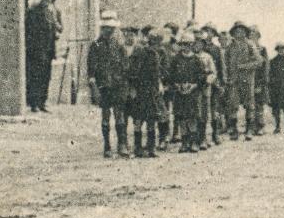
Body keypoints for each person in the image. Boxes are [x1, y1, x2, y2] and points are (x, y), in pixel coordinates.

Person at [86, 11, 130, 156]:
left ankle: (122, 144)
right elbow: (91, 69)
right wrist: (94, 87)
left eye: (111, 28)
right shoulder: (95, 45)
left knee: (119, 115)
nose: (109, 31)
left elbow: (125, 66)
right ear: (101, 29)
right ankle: (107, 146)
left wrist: (123, 82)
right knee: (105, 116)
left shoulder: (119, 45)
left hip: (118, 85)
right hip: (103, 86)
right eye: (106, 28)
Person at [127, 26, 164, 158]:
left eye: (158, 43)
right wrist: (133, 89)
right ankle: (138, 148)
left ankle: (151, 147)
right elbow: (132, 72)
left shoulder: (156, 54)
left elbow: (157, 73)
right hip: (140, 90)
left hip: (151, 90)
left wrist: (159, 85)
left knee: (151, 120)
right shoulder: (139, 52)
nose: (156, 45)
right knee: (138, 120)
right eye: (154, 42)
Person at [24, 0, 62, 112]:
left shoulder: (52, 12)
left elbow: (58, 27)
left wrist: (56, 31)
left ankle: (42, 102)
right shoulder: (34, 10)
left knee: (46, 76)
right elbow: (29, 29)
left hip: (48, 49)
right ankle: (34, 103)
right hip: (36, 49)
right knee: (35, 76)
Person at [168, 33, 208, 153]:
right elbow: (170, 76)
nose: (186, 47)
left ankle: (194, 141)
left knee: (192, 117)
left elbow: (202, 77)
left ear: (192, 45)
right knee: (181, 117)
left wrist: (193, 86)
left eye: (189, 44)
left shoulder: (196, 60)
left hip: (193, 93)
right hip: (179, 92)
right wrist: (178, 85)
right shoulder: (176, 60)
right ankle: (184, 142)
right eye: (183, 44)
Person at [251, 28, 270, 136]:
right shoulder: (249, 49)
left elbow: (265, 67)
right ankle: (252, 126)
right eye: (251, 36)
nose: (253, 38)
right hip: (249, 80)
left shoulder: (262, 49)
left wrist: (262, 82)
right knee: (251, 105)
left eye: (255, 36)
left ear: (258, 37)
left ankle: (260, 126)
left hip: (259, 81)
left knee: (259, 105)